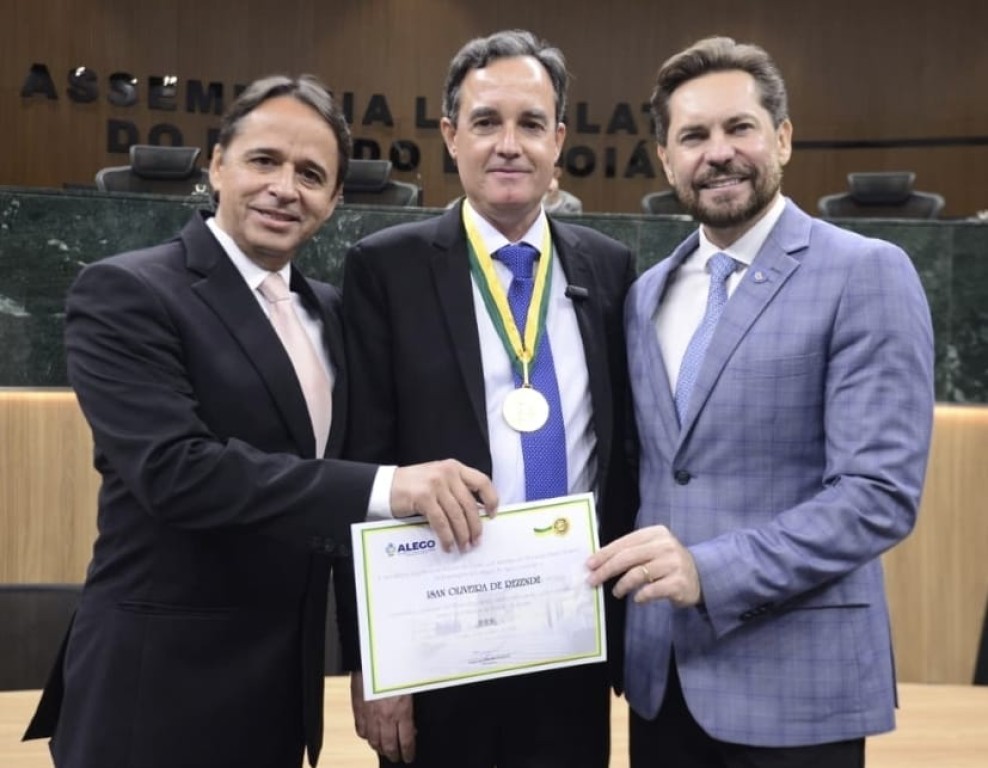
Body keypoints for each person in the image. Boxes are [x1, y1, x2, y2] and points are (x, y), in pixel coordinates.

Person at [23, 74, 496, 768]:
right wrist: (389, 486)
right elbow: (175, 473)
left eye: (311, 174)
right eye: (264, 161)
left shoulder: (332, 312)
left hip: (280, 695)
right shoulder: (126, 291)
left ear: (335, 200)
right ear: (217, 165)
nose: (284, 188)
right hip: (154, 692)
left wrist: (384, 653)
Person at [586, 36, 935, 768]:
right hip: (662, 683)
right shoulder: (644, 295)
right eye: (693, 136)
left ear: (782, 137)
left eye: (739, 127)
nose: (718, 153)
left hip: (797, 689)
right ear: (666, 160)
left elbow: (877, 496)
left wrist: (709, 571)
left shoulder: (866, 272)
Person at [340, 29, 637, 768]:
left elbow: (624, 455)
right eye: (486, 122)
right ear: (451, 136)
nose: (509, 144)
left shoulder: (609, 269)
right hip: (435, 642)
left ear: (558, 141)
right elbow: (361, 467)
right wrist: (374, 658)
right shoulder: (385, 269)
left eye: (531, 123)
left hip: (571, 634)